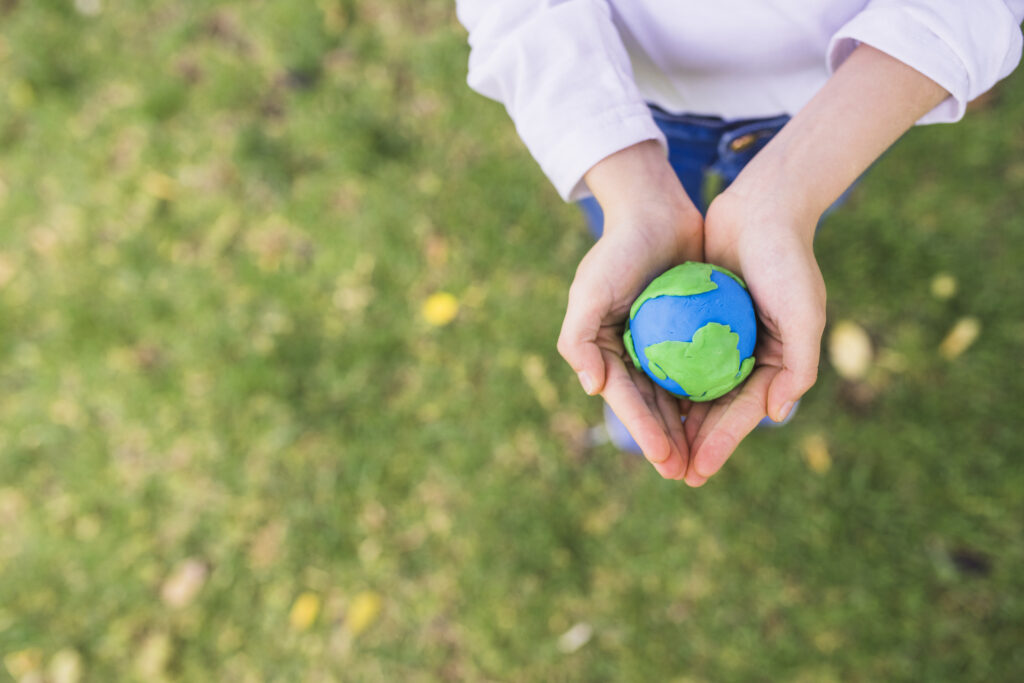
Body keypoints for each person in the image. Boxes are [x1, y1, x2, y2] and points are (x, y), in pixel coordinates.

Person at [456, 1, 1024, 486]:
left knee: (783, 241)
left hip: (838, 105)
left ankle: (774, 321)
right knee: (626, 238)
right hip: (617, 90)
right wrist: (628, 190)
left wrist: (792, 194)